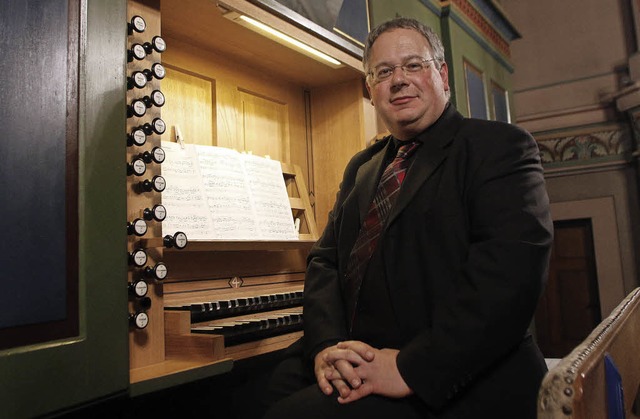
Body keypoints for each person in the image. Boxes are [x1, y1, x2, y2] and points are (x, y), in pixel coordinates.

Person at [254, 16, 553, 419]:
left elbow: (509, 280)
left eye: (413, 65)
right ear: (370, 89)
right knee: (241, 393)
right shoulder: (361, 167)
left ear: (442, 75)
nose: (399, 80)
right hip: (360, 355)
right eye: (383, 72)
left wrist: (409, 368)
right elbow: (324, 262)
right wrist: (327, 345)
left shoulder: (498, 147)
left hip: (455, 372)